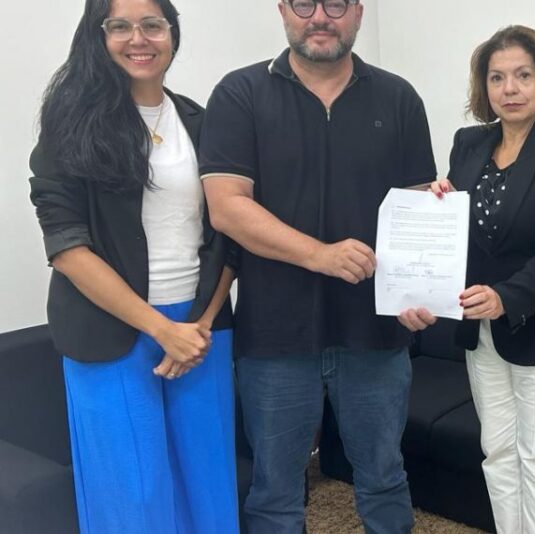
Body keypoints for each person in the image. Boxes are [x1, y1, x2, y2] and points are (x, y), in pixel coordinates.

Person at [197, 0, 436, 531]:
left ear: (359, 12)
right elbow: (227, 207)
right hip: (276, 337)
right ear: (283, 10)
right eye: (304, 3)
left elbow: (417, 205)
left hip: (375, 333)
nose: (320, 17)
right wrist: (321, 256)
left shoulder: (398, 97)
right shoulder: (240, 94)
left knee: (384, 477)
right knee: (276, 492)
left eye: (336, 3)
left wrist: (420, 289)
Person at [28, 0, 238, 531]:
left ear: (172, 34)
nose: (138, 39)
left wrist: (199, 324)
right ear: (97, 36)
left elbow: (228, 235)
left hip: (201, 329)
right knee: (133, 497)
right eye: (119, 26)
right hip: (109, 329)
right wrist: (161, 330)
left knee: (209, 483)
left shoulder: (202, 121)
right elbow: (67, 248)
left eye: (152, 25)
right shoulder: (68, 126)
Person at [399, 25, 535, 534]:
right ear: (484, 86)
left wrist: (508, 297)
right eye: (498, 77)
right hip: (479, 331)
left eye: (523, 75)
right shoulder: (469, 144)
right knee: (497, 451)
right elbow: (457, 235)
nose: (510, 89)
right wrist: (437, 200)